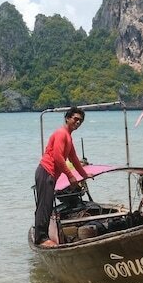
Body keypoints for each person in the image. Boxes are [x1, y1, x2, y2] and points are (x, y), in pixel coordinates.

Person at [34, 106, 90, 248]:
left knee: (46, 204)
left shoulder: (68, 137)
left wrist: (84, 175)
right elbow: (58, 157)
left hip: (50, 173)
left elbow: (74, 159)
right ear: (67, 118)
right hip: (46, 171)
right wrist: (71, 176)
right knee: (44, 206)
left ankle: (42, 234)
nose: (78, 122)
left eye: (80, 121)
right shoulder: (61, 134)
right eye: (75, 119)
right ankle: (40, 238)